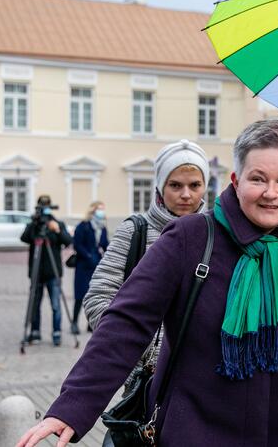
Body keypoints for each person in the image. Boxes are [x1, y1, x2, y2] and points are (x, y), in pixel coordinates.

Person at [17, 120, 278, 447]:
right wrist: (73, 405)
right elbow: (127, 322)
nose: (271, 193)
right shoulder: (190, 237)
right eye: (258, 178)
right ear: (235, 180)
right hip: (197, 432)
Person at [83, 139, 209, 378]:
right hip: (146, 379)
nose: (186, 195)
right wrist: (144, 349)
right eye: (175, 185)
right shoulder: (135, 230)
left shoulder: (216, 234)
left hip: (201, 380)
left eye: (195, 185)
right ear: (160, 187)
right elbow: (98, 297)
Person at [20, 195, 73, 346]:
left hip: (53, 271)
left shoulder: (57, 224)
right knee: (35, 303)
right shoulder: (34, 224)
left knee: (56, 304)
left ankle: (57, 333)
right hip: (36, 272)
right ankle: (35, 332)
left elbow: (68, 241)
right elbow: (23, 238)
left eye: (46, 206)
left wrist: (56, 230)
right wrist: (33, 224)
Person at [70, 201, 109, 335]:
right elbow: (77, 244)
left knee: (94, 294)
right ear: (93, 211)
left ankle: (90, 324)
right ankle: (74, 322)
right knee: (80, 295)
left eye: (103, 209)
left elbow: (105, 245)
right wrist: (87, 255)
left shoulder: (102, 228)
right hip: (83, 266)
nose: (102, 212)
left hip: (96, 266)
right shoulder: (83, 226)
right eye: (99, 209)